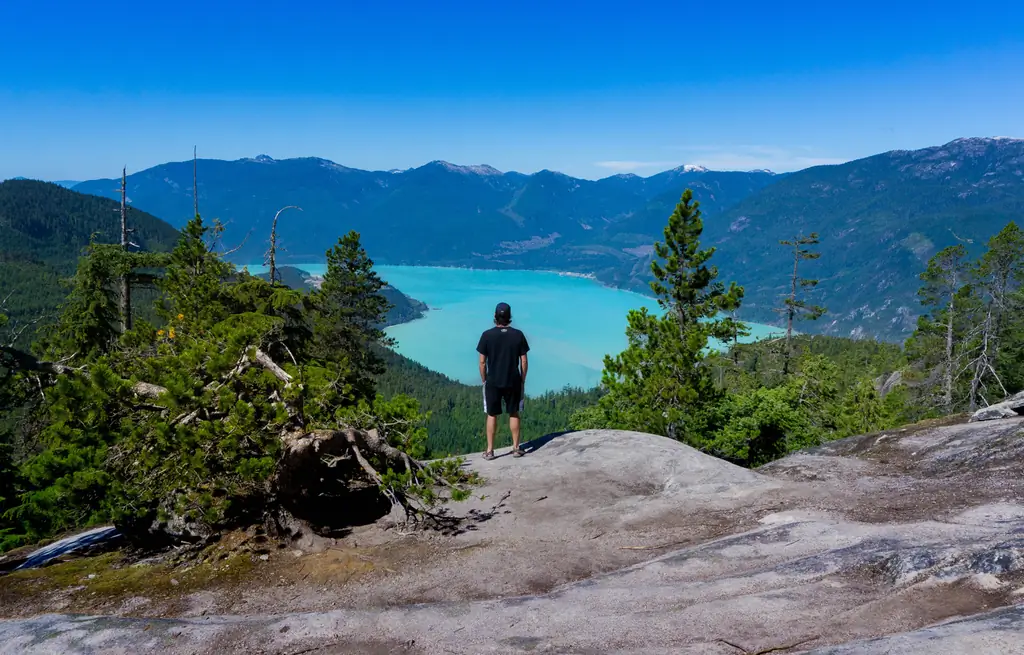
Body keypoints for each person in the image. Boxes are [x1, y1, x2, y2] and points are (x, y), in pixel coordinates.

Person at [476, 302, 530, 460]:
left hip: (493, 380)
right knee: (514, 412)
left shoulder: (487, 335)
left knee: (492, 414)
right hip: (513, 380)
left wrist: (484, 379)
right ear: (509, 317)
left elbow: (482, 362)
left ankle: (490, 451)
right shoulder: (518, 335)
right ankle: (515, 448)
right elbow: (524, 361)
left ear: (495, 316)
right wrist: (522, 379)